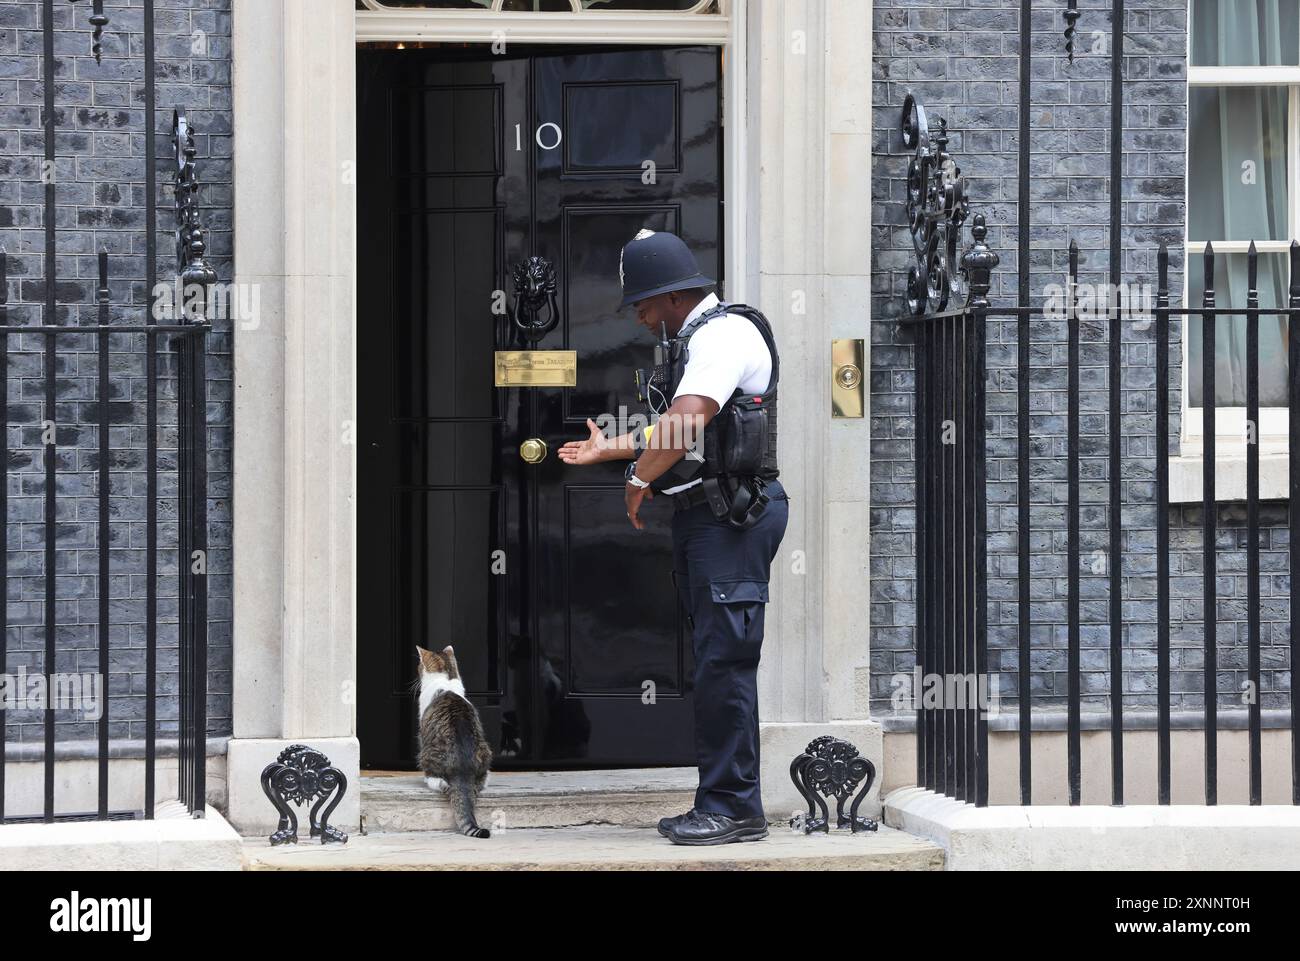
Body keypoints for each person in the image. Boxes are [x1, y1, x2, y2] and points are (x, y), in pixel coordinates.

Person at [559, 229, 789, 846]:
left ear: (669, 295)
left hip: (731, 521)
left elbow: (686, 422)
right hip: (709, 516)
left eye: (640, 300)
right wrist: (617, 446)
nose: (635, 312)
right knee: (719, 662)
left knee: (726, 666)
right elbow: (679, 425)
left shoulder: (722, 335)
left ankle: (733, 807)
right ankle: (724, 801)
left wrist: (636, 478)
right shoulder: (696, 339)